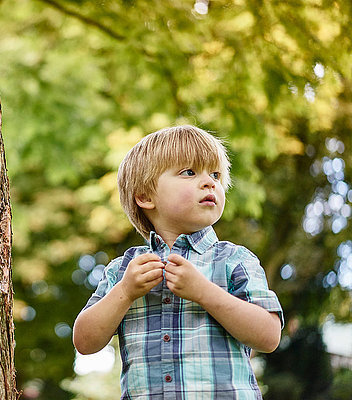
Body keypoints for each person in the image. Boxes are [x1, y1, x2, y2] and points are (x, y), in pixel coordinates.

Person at [73, 125, 283, 399]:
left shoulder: (235, 259)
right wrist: (125, 292)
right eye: (189, 172)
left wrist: (204, 292)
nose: (210, 182)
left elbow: (268, 336)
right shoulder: (124, 271)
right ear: (146, 197)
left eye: (216, 175)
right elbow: (85, 342)